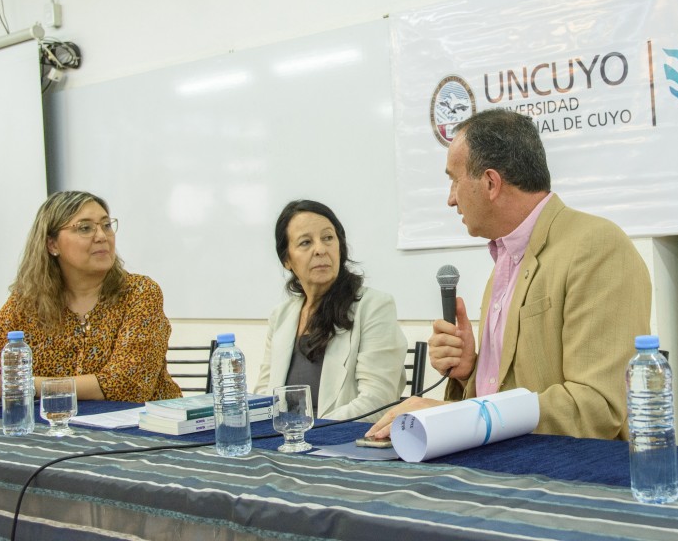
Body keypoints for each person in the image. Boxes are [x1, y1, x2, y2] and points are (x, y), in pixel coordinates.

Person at [367, 108, 652, 441]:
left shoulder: (596, 247)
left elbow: (596, 408)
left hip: (569, 481)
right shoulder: (504, 261)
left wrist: (452, 416)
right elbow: (505, 397)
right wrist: (469, 371)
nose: (450, 199)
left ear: (490, 183)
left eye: (454, 180)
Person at [0, 191, 181, 403]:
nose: (102, 236)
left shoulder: (139, 292)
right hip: (55, 430)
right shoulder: (27, 301)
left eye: (106, 225)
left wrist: (25, 385)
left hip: (146, 433)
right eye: (85, 228)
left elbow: (127, 384)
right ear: (52, 244)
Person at [253, 200, 407, 422]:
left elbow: (377, 402)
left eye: (328, 238)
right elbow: (263, 397)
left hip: (342, 445)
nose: (320, 249)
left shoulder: (374, 306)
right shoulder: (280, 317)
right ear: (287, 260)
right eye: (306, 242)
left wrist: (309, 432)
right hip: (285, 443)